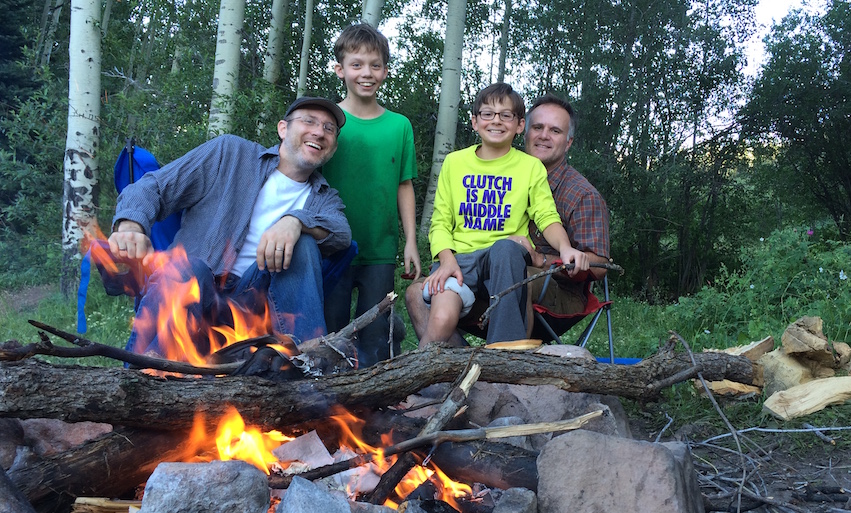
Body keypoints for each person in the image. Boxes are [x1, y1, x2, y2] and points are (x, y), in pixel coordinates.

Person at [108, 97, 352, 358]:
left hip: (254, 307)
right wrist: (131, 226)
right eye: (309, 121)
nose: (319, 132)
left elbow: (342, 234)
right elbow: (154, 187)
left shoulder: (324, 198)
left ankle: (306, 367)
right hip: (194, 288)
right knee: (192, 267)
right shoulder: (230, 153)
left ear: (333, 148)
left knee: (304, 244)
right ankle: (144, 374)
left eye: (329, 129)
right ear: (283, 128)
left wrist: (295, 221)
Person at [406, 93, 610, 345]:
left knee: (507, 251)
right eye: (538, 127)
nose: (544, 135)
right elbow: (441, 221)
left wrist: (555, 253)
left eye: (555, 130)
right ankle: (452, 372)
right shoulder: (456, 163)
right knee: (419, 294)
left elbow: (550, 219)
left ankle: (503, 355)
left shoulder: (578, 192)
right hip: (469, 266)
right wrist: (446, 259)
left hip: (542, 285)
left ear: (517, 125)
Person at [320, 23, 421, 367]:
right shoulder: (327, 123)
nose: (367, 73)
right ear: (340, 70)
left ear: (386, 71)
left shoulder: (399, 126)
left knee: (375, 337)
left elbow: (403, 184)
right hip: (332, 247)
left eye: (375, 65)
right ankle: (327, 401)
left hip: (380, 249)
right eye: (357, 64)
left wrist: (410, 241)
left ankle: (373, 405)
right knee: (331, 334)